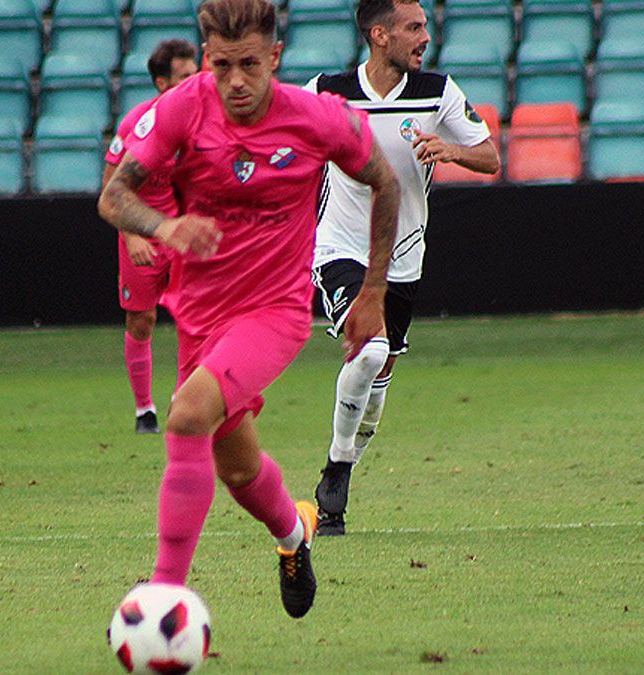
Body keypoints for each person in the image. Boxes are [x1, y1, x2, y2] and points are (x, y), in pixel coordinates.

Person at [98, 0, 401, 618]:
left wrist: (372, 293)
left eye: (251, 65)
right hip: (199, 316)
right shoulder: (184, 107)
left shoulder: (316, 117)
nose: (236, 81)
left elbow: (384, 182)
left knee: (184, 419)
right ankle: (294, 535)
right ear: (207, 59)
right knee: (236, 469)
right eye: (223, 65)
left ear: (275, 59)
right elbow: (115, 195)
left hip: (273, 311)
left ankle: (165, 598)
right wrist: (166, 225)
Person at [306, 0, 500, 535]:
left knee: (381, 371)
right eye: (414, 27)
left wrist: (451, 150)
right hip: (342, 246)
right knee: (369, 350)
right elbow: (279, 139)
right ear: (379, 34)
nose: (425, 37)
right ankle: (337, 473)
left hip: (404, 253)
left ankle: (342, 468)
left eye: (425, 27)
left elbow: (491, 158)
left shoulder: (438, 91)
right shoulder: (326, 92)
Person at [103, 39, 200, 434]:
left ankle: (183, 402)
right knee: (141, 320)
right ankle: (145, 409)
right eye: (184, 77)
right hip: (144, 232)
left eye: (196, 74)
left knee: (192, 320)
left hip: (183, 235)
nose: (195, 82)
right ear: (161, 83)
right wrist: (131, 235)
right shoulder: (136, 124)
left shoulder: (204, 121)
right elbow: (111, 186)